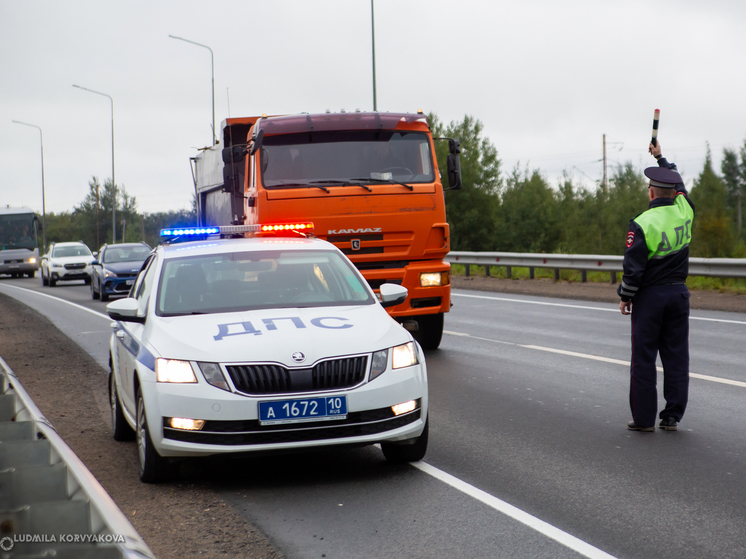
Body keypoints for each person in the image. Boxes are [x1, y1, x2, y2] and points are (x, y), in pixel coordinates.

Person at [618, 141, 695, 432]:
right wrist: (661, 157)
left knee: (644, 358)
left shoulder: (641, 223)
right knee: (676, 357)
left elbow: (633, 269)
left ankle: (643, 420)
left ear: (650, 192)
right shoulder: (685, 210)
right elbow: (680, 183)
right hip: (679, 294)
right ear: (674, 193)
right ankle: (672, 416)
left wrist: (625, 296)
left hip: (650, 298)